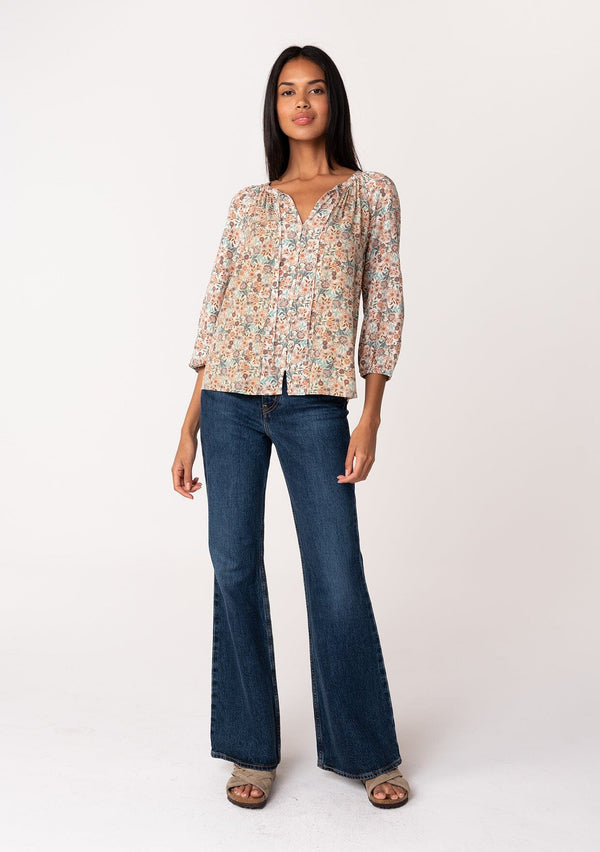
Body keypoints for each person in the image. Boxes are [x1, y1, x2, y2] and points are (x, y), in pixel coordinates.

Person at [171, 45, 410, 810]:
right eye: (286, 91)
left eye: (314, 89)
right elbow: (217, 311)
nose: (301, 102)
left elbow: (385, 305)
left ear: (333, 102)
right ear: (274, 108)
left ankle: (365, 751)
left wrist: (370, 416)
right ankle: (250, 749)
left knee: (336, 576)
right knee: (235, 567)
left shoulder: (370, 194)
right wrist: (189, 425)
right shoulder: (250, 202)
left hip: (315, 406)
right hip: (230, 402)